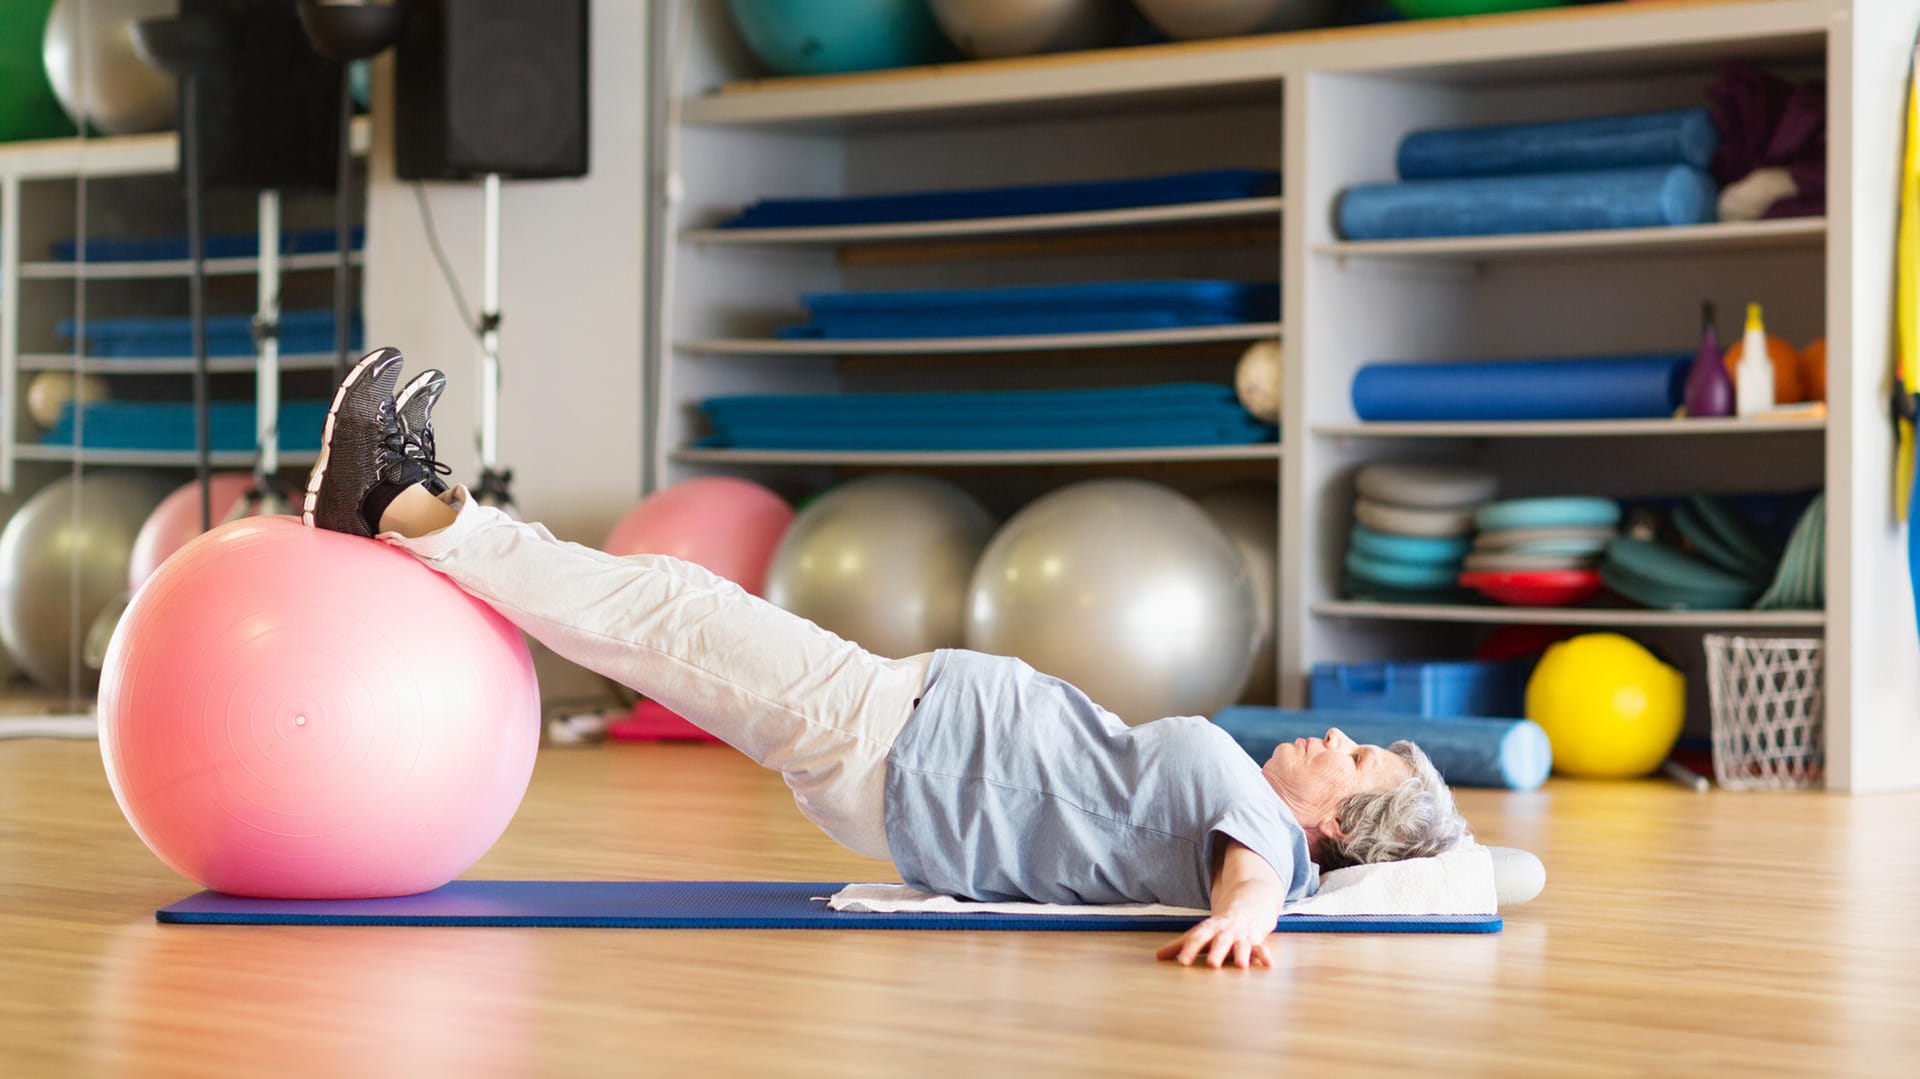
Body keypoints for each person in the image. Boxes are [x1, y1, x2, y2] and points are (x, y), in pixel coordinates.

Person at [303, 348, 1471, 969]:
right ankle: (418, 501)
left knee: (659, 611)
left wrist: (1250, 923)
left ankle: (401, 498)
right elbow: (1473, 874)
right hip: (912, 738)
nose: (1331, 735)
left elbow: (1254, 884)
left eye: (1356, 758)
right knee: (669, 609)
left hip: (904, 746)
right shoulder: (1270, 810)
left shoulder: (1266, 840)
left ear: (1335, 830)